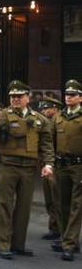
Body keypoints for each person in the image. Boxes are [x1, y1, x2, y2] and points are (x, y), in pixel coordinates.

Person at [0, 80, 54, 260]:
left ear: (28, 98)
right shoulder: (2, 115)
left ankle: (18, 245)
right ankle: (3, 245)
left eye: (19, 97)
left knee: (23, 208)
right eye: (12, 97)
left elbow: (46, 145)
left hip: (28, 169)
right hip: (7, 166)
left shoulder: (39, 119)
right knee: (4, 205)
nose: (15, 100)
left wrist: (48, 164)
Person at [51, 80, 82, 261]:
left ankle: (69, 244)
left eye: (73, 95)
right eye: (67, 95)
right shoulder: (59, 117)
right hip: (61, 165)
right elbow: (51, 141)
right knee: (62, 205)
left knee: (77, 206)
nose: (68, 98)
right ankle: (68, 239)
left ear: (80, 97)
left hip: (79, 166)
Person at [38, 97, 63, 242]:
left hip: (57, 165)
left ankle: (61, 230)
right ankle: (54, 228)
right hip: (47, 164)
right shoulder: (47, 123)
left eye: (47, 108)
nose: (44, 111)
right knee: (50, 199)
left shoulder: (58, 122)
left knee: (57, 199)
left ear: (55, 108)